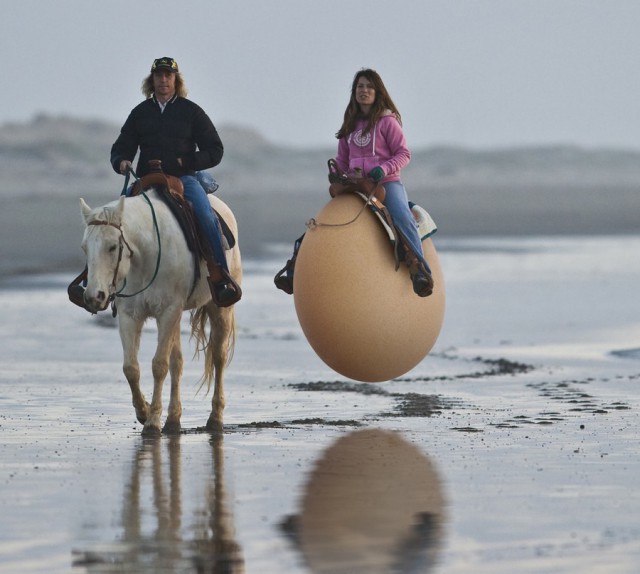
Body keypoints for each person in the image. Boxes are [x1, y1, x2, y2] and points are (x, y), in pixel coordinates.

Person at [274, 68, 433, 297]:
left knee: (401, 216)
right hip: (355, 184)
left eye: (369, 86)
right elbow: (342, 159)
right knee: (322, 220)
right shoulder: (350, 124)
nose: (364, 90)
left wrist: (384, 169)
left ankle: (421, 272)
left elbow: (403, 154)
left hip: (385, 183)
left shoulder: (388, 122)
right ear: (354, 91)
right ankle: (294, 267)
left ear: (378, 92)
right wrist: (336, 172)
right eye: (360, 86)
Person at [110, 56, 240, 307]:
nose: (163, 80)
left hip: (183, 178)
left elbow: (215, 150)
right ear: (152, 80)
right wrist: (122, 161)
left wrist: (187, 161)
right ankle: (105, 284)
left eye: (168, 75)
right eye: (159, 75)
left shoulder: (191, 111)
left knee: (205, 214)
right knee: (114, 218)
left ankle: (220, 277)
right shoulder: (140, 113)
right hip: (146, 179)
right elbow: (121, 146)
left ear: (176, 80)